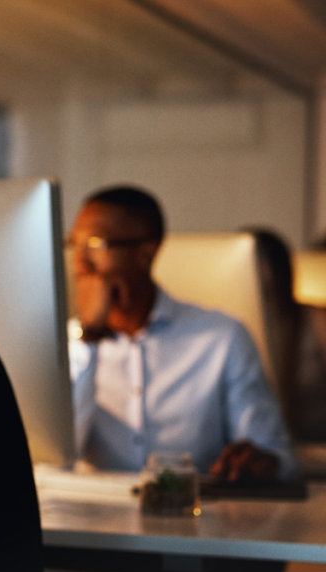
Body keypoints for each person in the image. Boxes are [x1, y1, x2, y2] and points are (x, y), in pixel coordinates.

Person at [66, 186, 296, 481]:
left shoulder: (221, 337)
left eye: (96, 244)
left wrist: (261, 463)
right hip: (93, 519)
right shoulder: (70, 345)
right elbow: (56, 461)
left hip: (194, 517)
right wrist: (91, 336)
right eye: (74, 244)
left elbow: (278, 458)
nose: (79, 262)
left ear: (146, 253)